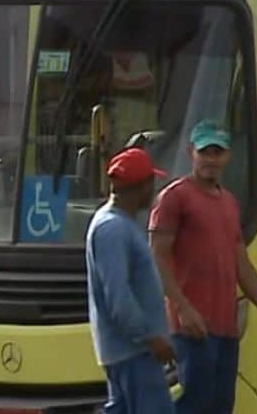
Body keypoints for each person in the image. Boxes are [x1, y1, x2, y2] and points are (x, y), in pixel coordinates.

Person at [149, 119, 257, 414]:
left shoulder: (229, 203)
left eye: (218, 152)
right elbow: (157, 257)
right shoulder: (174, 197)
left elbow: (242, 264)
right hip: (192, 330)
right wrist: (182, 307)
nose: (211, 159)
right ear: (191, 153)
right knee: (193, 405)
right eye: (205, 152)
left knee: (221, 406)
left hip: (225, 328)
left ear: (227, 156)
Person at [86, 147, 176, 414]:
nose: (154, 189)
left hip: (131, 352)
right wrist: (152, 339)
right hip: (134, 354)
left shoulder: (119, 223)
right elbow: (119, 298)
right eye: (151, 182)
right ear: (141, 186)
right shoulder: (112, 229)